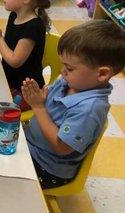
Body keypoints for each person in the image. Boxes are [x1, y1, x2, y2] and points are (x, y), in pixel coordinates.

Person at [21, 20, 125, 189]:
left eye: (69, 68)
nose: (63, 72)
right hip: (31, 145)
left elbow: (61, 147)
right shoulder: (72, 82)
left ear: (102, 74)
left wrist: (39, 107)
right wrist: (39, 97)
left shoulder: (90, 109)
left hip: (47, 167)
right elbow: (49, 99)